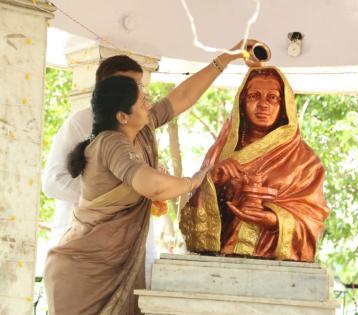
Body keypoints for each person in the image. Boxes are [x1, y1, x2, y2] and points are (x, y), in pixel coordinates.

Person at [44, 41, 255, 314]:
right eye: (139, 95)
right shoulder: (111, 141)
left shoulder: (136, 128)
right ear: (119, 109)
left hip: (121, 260)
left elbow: (182, 97)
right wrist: (193, 181)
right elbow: (151, 185)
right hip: (88, 271)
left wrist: (225, 58)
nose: (149, 100)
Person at [180, 67, 330, 262]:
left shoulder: (305, 161)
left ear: (284, 105)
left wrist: (273, 220)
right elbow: (193, 214)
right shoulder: (221, 152)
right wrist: (212, 182)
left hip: (274, 265)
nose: (263, 105)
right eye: (254, 96)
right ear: (242, 103)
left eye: (273, 98)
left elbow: (313, 219)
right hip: (222, 260)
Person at [42, 55, 161, 287]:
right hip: (83, 249)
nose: (134, 94)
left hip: (130, 244)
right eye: (127, 86)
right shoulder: (80, 121)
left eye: (138, 87)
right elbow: (52, 181)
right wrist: (107, 194)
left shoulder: (143, 128)